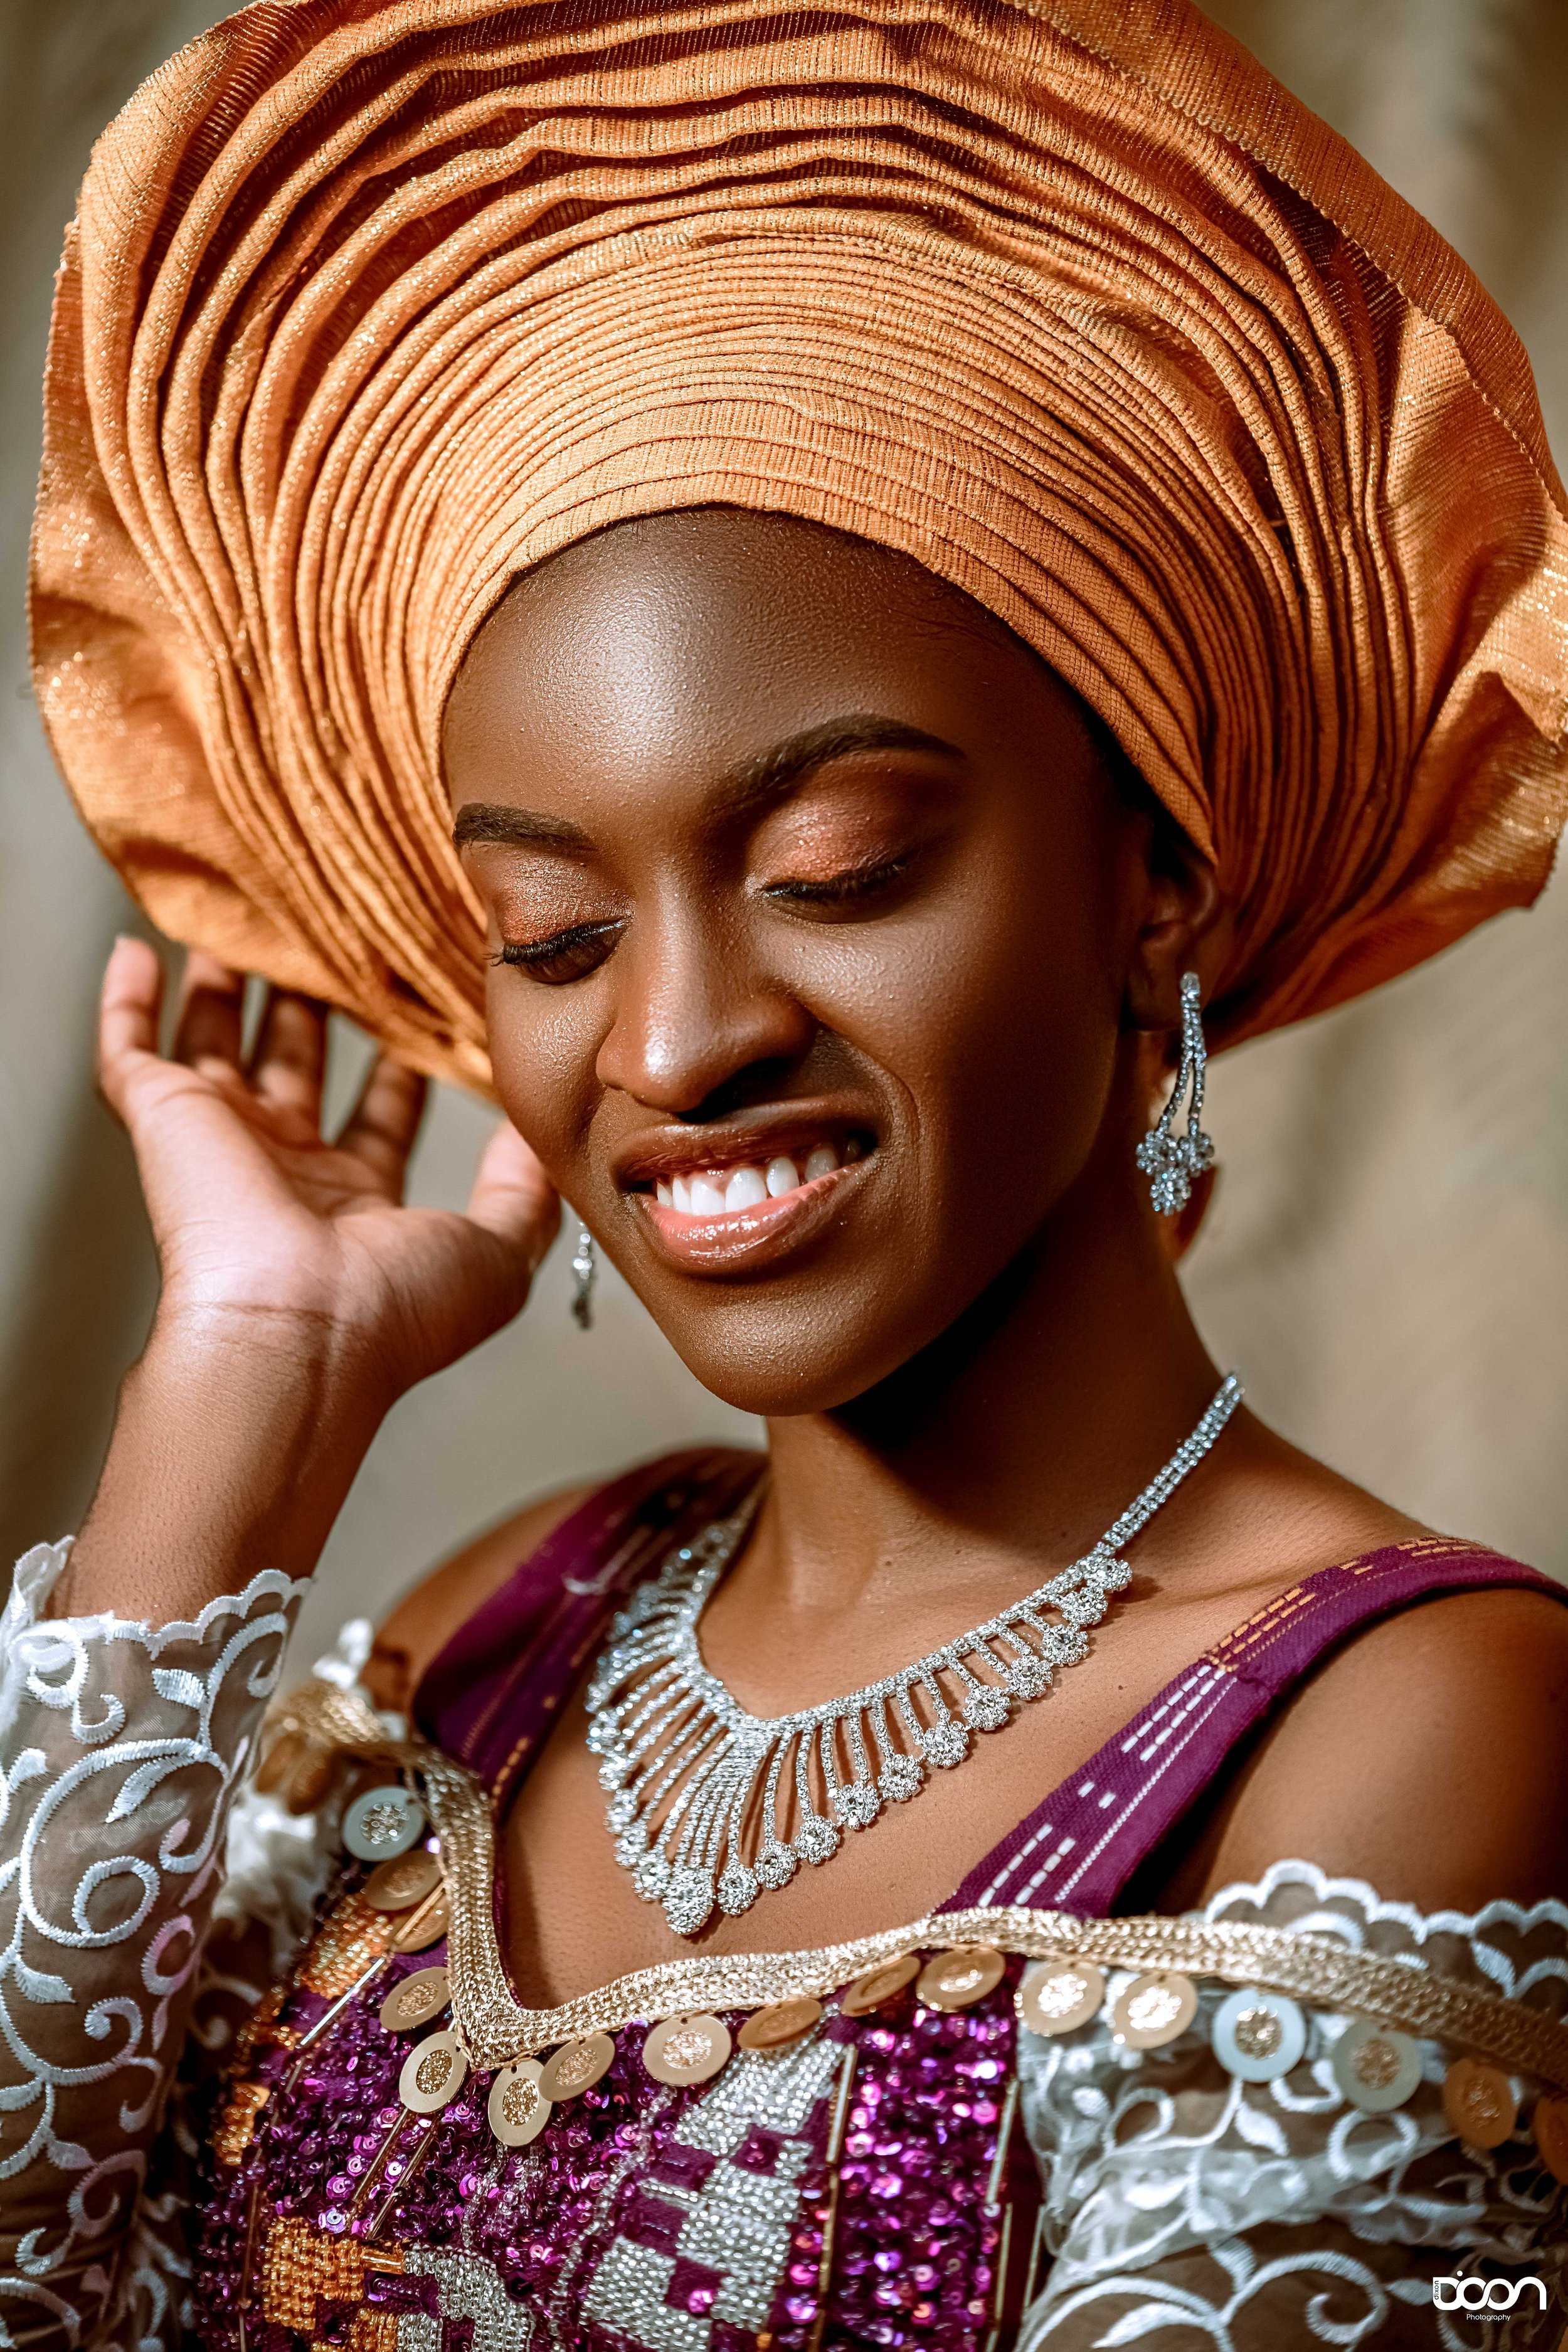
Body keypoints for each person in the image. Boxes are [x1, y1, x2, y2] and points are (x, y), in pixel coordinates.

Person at [9, 0, 1568, 2345]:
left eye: (836, 868)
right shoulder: (497, 1629)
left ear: (1154, 883)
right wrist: (244, 1389)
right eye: (552, 933)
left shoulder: (1409, 1721)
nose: (669, 1043)